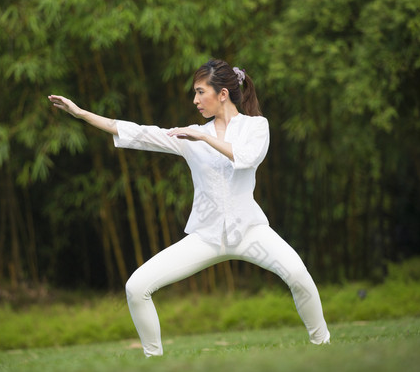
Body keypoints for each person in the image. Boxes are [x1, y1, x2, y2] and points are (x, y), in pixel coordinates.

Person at [49, 59, 330, 357]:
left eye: (200, 92)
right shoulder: (191, 136)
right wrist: (80, 113)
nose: (194, 100)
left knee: (299, 276)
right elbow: (139, 133)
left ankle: (323, 345)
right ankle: (152, 359)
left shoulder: (255, 127)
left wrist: (204, 137)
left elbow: (246, 157)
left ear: (222, 94)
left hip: (251, 232)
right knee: (136, 287)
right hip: (206, 237)